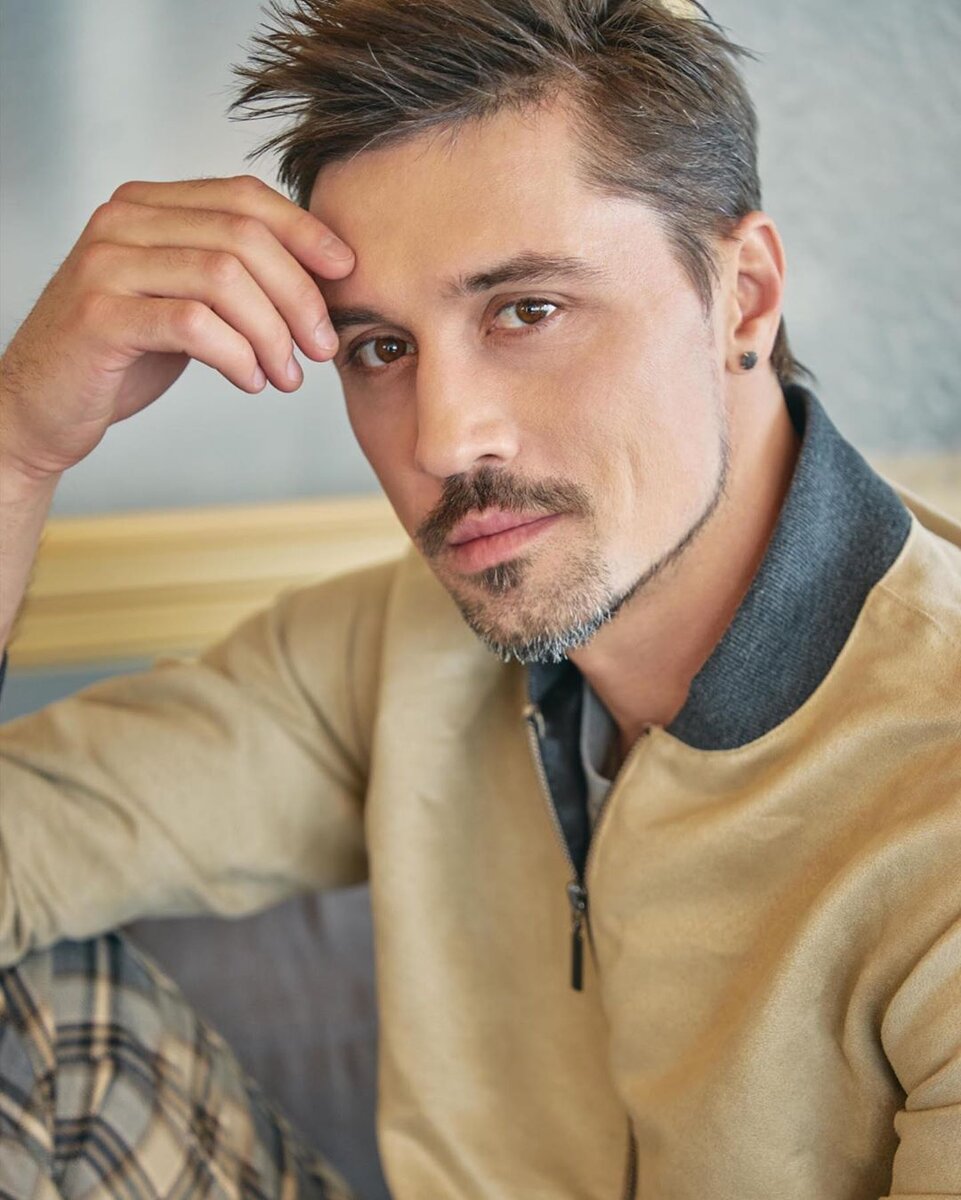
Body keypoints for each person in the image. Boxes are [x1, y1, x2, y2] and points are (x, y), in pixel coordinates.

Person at [1, 0, 959, 1196]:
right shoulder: (389, 653)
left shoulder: (936, 799)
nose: (443, 441)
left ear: (744, 297)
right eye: (380, 348)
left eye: (527, 310)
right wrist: (19, 442)